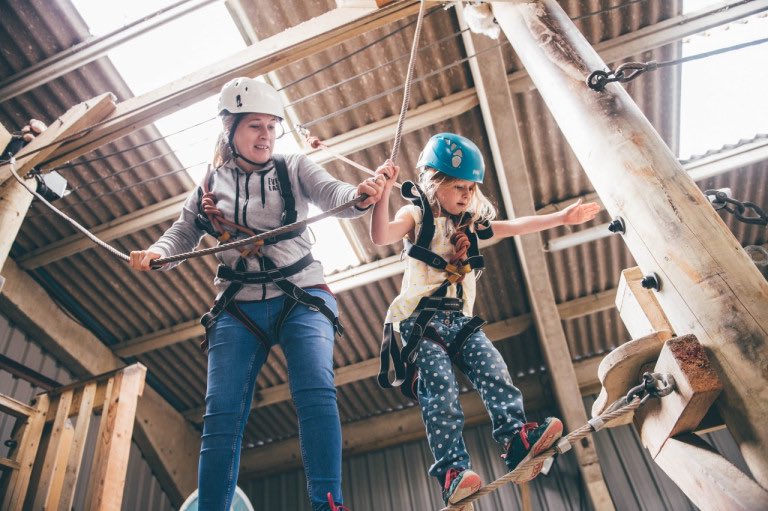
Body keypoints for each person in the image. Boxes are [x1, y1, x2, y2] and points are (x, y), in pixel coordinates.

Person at [130, 77, 386, 511]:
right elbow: (183, 232)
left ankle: (328, 504)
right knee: (222, 415)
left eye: (272, 126)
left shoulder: (294, 167)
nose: (266, 136)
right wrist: (157, 254)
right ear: (230, 130)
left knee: (315, 391)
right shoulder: (211, 184)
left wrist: (360, 196)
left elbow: (334, 194)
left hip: (302, 295)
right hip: (238, 307)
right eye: (255, 126)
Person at [371, 133, 601, 509]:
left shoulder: (471, 225)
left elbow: (515, 226)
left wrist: (562, 217)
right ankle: (452, 472)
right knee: (441, 393)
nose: (466, 194)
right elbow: (381, 235)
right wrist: (382, 195)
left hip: (459, 321)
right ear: (436, 182)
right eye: (458, 186)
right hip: (419, 323)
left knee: (494, 368)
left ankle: (515, 439)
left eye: (471, 188)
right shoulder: (416, 214)